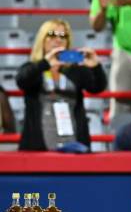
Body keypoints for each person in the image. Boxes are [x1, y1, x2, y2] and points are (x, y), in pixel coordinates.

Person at [16, 19, 106, 152]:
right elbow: (22, 80)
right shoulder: (33, 68)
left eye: (63, 36)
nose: (58, 40)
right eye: (52, 35)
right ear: (42, 39)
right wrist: (45, 63)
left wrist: (96, 67)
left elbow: (97, 87)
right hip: (39, 147)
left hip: (74, 145)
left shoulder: (75, 70)